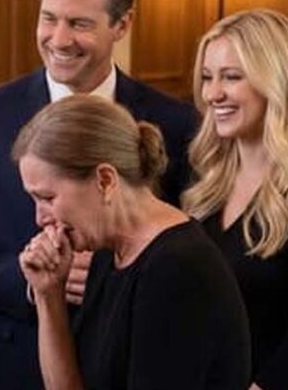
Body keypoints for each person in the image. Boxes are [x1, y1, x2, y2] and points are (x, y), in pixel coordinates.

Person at [0, 0, 198, 389]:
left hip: (128, 364)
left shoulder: (175, 122)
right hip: (9, 362)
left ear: (122, 24)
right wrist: (35, 280)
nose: (59, 39)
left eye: (79, 23)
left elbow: (187, 245)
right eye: (49, 18)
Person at [15, 95, 250, 389]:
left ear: (105, 180)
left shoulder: (178, 267)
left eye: (47, 198)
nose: (40, 218)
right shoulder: (107, 252)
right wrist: (48, 294)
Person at [183, 9, 288, 390]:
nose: (212, 93)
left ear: (275, 82)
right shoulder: (201, 181)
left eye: (231, 77)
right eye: (208, 77)